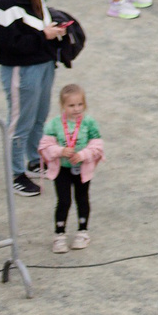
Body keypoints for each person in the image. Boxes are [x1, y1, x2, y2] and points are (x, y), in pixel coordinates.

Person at [0, 0, 65, 196]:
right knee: (20, 121)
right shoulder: (3, 7)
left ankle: (34, 160)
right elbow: (9, 46)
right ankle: (16, 173)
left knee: (39, 116)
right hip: (20, 70)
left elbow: (42, 24)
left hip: (43, 65)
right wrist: (45, 36)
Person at [40, 82, 103, 253]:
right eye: (71, 105)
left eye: (80, 104)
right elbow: (45, 146)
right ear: (62, 106)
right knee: (64, 201)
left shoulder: (89, 123)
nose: (76, 109)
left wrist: (83, 155)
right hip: (62, 169)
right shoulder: (54, 124)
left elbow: (98, 144)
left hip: (81, 169)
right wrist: (60, 151)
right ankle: (59, 235)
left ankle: (83, 231)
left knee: (82, 199)